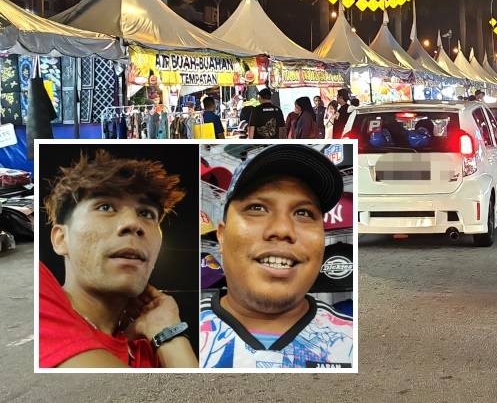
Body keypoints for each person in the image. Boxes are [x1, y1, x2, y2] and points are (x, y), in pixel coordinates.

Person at [39, 150, 197, 368]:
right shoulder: (36, 292)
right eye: (105, 207)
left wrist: (167, 328)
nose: (134, 224)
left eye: (146, 214)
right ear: (61, 239)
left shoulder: (152, 349)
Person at [200, 145, 353, 368]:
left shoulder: (352, 342)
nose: (282, 229)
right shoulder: (179, 342)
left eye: (304, 213)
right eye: (257, 208)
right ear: (221, 236)